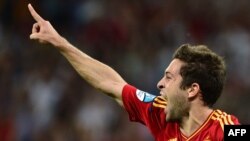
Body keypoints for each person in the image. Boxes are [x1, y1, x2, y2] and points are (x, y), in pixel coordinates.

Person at [27, 3, 240, 141]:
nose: (159, 84)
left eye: (169, 77)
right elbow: (111, 84)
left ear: (192, 90)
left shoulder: (225, 129)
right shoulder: (159, 112)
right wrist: (60, 43)